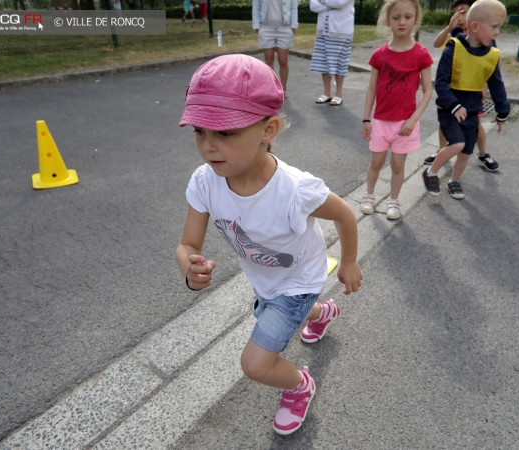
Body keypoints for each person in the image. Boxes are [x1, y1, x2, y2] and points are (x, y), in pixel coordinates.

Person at [177, 54, 363, 435]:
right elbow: (187, 243)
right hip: (267, 279)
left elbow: (344, 215)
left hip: (298, 283)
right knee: (285, 313)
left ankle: (300, 386)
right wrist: (187, 265)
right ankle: (321, 313)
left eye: (225, 133)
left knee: (256, 364)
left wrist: (348, 263)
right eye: (199, 131)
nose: (208, 147)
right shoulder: (205, 181)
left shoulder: (296, 191)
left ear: (269, 129)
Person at [422, 0, 509, 200]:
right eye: (494, 27)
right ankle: (430, 173)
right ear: (475, 26)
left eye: (499, 27)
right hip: (449, 108)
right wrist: (454, 105)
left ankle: (454, 181)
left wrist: (503, 112)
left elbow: (497, 85)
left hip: (472, 110)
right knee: (458, 144)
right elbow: (441, 84)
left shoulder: (492, 55)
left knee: (466, 152)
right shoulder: (454, 47)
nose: (498, 32)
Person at [360, 0, 433, 220]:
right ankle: (369, 195)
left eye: (408, 17)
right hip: (381, 121)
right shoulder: (380, 55)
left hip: (406, 123)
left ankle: (393, 200)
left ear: (416, 19)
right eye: (396, 17)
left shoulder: (421, 55)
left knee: (398, 164)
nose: (402, 22)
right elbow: (372, 89)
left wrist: (413, 119)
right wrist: (366, 119)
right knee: (376, 162)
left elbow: (428, 91)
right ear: (387, 20)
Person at [309, 0, 355, 106]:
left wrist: (323, 2)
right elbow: (313, 5)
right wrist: (330, 5)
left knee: (340, 62)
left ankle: (338, 94)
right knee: (323, 61)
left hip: (341, 30)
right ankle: (327, 93)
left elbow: (339, 3)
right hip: (323, 30)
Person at [252, 0, 299, 98]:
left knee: (283, 61)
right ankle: (272, 89)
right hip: (266, 27)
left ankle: (283, 88)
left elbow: (294, 7)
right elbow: (255, 7)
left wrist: (293, 26)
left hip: (285, 27)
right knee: (269, 60)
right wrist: (257, 26)